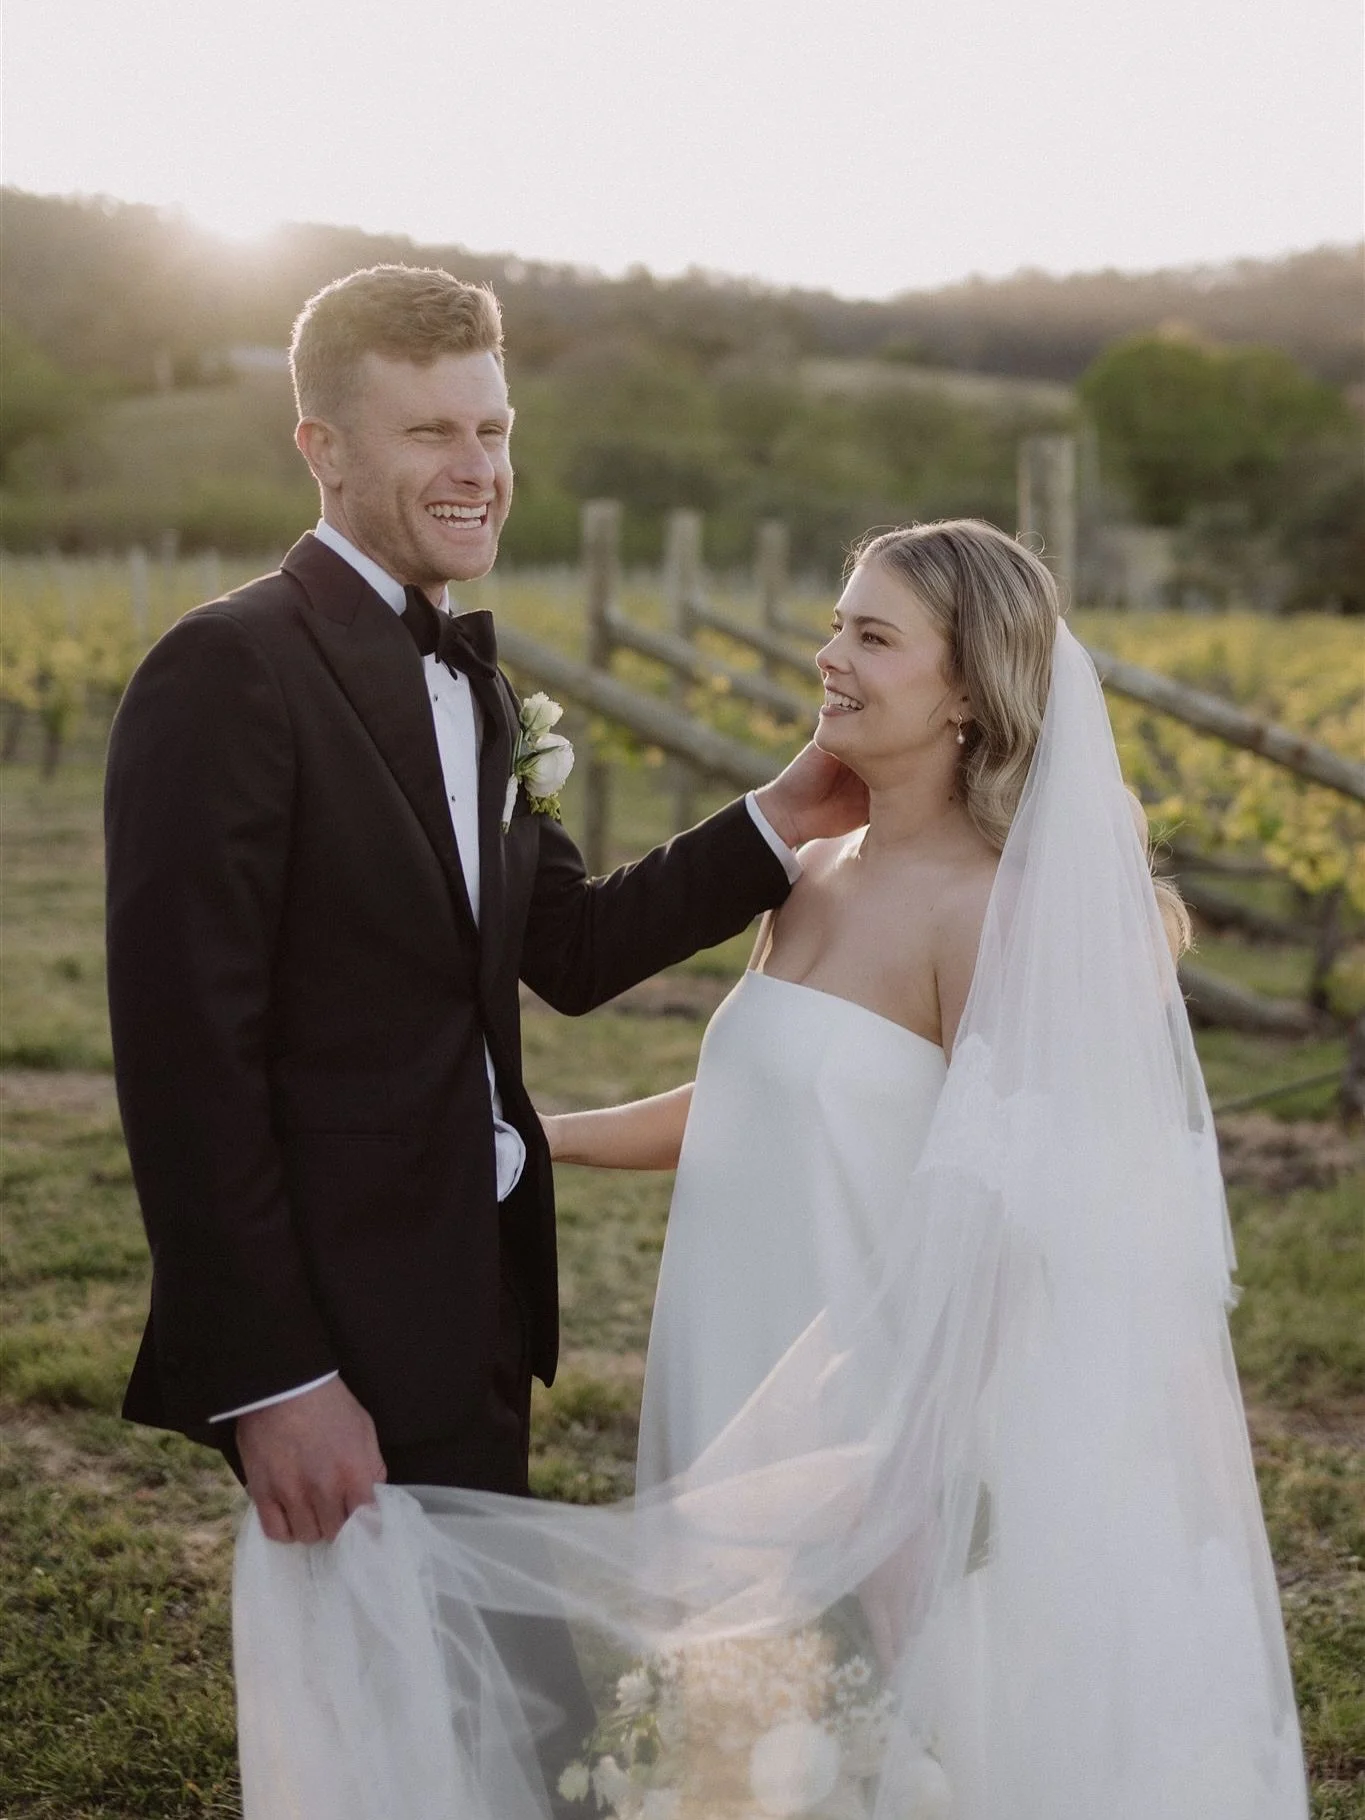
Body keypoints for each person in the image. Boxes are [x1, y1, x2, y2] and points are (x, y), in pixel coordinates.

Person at [232, 521, 1309, 1819]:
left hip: (877, 1400)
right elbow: (746, 1098)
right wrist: (535, 1142)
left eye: (872, 635)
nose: (828, 655)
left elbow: (1031, 1221)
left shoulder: (990, 913)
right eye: (835, 623)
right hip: (738, 1357)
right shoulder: (811, 877)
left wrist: (917, 1473)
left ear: (966, 687)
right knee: (756, 1739)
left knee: (900, 1746)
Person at [104, 262, 866, 1550]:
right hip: (333, 1312)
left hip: (481, 1278)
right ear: (323, 448)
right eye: (432, 432)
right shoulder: (231, 669)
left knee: (469, 1714)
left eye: (494, 429)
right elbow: (186, 1066)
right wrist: (275, 1380)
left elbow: (564, 950)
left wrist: (780, 818)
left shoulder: (485, 689)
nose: (479, 467)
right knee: (374, 1715)